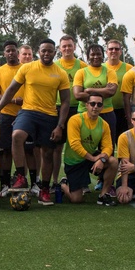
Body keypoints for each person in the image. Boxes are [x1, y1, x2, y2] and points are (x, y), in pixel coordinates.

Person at [0, 38, 71, 206]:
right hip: (28, 112)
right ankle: (20, 177)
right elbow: (11, 90)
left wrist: (60, 126)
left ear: (54, 52)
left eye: (50, 51)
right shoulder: (27, 68)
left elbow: (65, 102)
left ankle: (45, 190)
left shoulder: (60, 73)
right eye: (43, 51)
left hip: (49, 115)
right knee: (17, 136)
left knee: (47, 153)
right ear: (38, 52)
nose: (46, 53)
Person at [61, 94, 116, 205]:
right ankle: (63, 184)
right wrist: (93, 158)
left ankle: (103, 195)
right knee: (76, 200)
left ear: (102, 107)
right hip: (74, 161)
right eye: (92, 104)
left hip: (90, 158)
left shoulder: (104, 124)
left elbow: (108, 146)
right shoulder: (75, 120)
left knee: (113, 161)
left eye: (99, 104)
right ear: (86, 105)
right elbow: (74, 144)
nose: (95, 107)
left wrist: (102, 160)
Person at [51, 35, 87, 192]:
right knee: (56, 147)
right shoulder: (55, 65)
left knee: (78, 146)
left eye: (69, 46)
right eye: (64, 46)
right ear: (60, 49)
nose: (67, 48)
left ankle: (82, 182)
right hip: (57, 109)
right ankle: (54, 181)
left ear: (74, 47)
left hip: (78, 109)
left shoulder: (82, 66)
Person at [0, 41, 25, 196]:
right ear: (4, 53)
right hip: (5, 115)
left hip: (25, 114)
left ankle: (28, 181)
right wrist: (14, 100)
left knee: (28, 150)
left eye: (13, 50)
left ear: (17, 52)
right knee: (5, 151)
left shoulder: (26, 68)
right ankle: (5, 183)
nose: (10, 53)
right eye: (7, 51)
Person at [73, 44, 120, 147]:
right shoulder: (81, 72)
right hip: (84, 113)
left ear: (103, 56)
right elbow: (78, 95)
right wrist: (104, 90)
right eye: (92, 54)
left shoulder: (110, 72)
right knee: (86, 146)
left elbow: (111, 92)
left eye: (99, 54)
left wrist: (89, 90)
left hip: (107, 113)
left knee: (107, 147)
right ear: (88, 56)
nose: (96, 57)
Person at [105, 39, 133, 136]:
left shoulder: (129, 68)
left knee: (123, 141)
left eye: (116, 49)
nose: (113, 51)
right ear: (106, 51)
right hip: (105, 110)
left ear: (121, 52)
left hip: (123, 112)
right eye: (111, 49)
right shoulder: (101, 68)